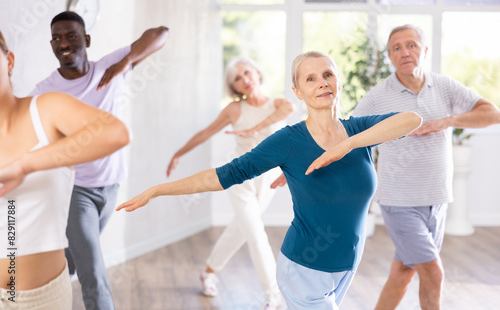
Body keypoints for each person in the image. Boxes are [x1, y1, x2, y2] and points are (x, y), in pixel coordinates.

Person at [117, 51, 422, 309]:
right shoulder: (288, 141)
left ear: (337, 81)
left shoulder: (360, 131)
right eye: (310, 79)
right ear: (298, 91)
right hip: (304, 266)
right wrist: (159, 190)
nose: (322, 83)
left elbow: (411, 119)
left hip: (346, 265)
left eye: (328, 74)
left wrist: (346, 145)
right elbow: (226, 174)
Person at [352, 24, 500, 310]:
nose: (404, 52)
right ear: (389, 57)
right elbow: (349, 134)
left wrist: (447, 121)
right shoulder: (379, 96)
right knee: (433, 272)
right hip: (399, 201)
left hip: (437, 198)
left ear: (425, 50)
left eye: (411, 45)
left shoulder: (443, 86)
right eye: (396, 47)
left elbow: (492, 114)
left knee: (403, 272)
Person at [28, 11, 169, 310]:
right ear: (52, 45)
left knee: (72, 261)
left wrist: (123, 63)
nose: (64, 43)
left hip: (112, 187)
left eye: (71, 36)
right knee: (93, 271)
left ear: (86, 39)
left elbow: (160, 33)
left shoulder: (109, 68)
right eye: (57, 38)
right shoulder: (45, 91)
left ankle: (30, 292)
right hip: (74, 192)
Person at [0, 30, 129, 309]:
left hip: (38, 299)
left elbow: (114, 133)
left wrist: (26, 164)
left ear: (9, 60)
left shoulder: (46, 109)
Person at [165, 56, 295, 309]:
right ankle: (272, 296)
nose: (244, 80)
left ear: (257, 73)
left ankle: (208, 272)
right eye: (237, 78)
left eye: (247, 72)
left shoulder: (278, 103)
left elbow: (289, 109)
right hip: (239, 175)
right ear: (233, 87)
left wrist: (255, 129)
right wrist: (178, 153)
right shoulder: (234, 110)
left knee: (240, 230)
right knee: (255, 234)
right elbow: (205, 133)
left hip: (266, 179)